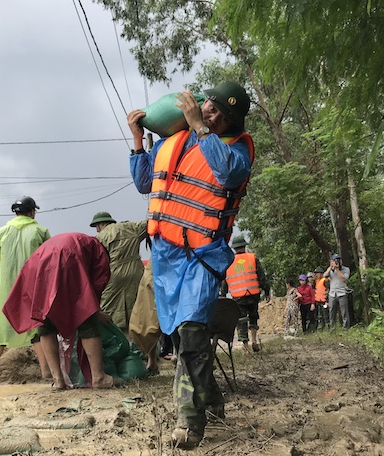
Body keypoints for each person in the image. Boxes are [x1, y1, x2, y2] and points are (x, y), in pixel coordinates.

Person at [127, 81, 254, 448]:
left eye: (219, 114)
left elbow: (229, 174)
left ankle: (190, 419)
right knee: (181, 332)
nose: (210, 116)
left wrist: (200, 127)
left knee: (193, 330)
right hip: (167, 254)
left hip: (204, 254)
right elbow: (143, 182)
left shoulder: (237, 150)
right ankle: (212, 398)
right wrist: (138, 141)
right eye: (208, 108)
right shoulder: (174, 141)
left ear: (233, 121)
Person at [2, 232, 115, 390]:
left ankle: (58, 380)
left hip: (37, 264)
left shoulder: (83, 242)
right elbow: (95, 286)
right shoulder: (98, 250)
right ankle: (99, 377)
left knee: (46, 320)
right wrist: (95, 313)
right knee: (87, 320)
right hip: (66, 259)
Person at [0, 196, 51, 382]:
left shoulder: (2, 231)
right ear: (31, 212)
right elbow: (48, 259)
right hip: (33, 287)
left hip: (6, 288)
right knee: (37, 329)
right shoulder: (40, 231)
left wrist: (7, 275)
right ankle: (46, 373)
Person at [90, 211, 147, 332]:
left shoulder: (99, 238)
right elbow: (148, 224)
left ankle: (115, 334)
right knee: (138, 304)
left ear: (100, 224)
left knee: (109, 307)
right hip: (136, 271)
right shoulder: (130, 227)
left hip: (113, 273)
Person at [224, 234, 270, 352]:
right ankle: (254, 340)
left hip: (238, 296)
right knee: (253, 316)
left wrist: (223, 295)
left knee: (241, 320)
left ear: (234, 248)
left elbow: (225, 281)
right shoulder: (253, 258)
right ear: (244, 246)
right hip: (253, 294)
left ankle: (245, 347)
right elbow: (262, 276)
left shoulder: (229, 262)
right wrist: (267, 291)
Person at [324, 253, 352, 329]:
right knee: (332, 311)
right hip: (332, 293)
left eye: (338, 260)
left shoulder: (345, 269)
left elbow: (344, 278)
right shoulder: (330, 269)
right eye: (335, 260)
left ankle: (346, 328)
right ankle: (332, 328)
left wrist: (337, 269)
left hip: (342, 292)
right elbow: (324, 276)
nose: (337, 262)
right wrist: (330, 267)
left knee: (344, 312)